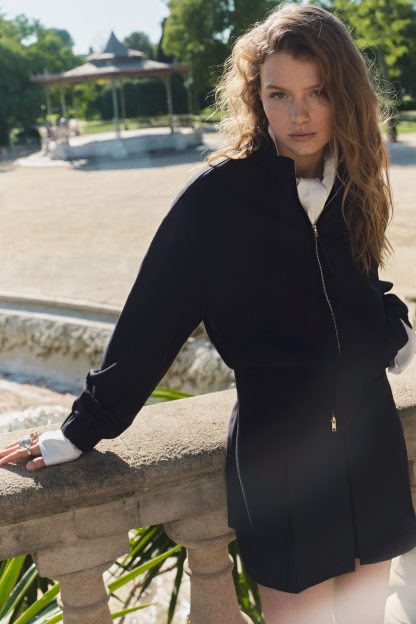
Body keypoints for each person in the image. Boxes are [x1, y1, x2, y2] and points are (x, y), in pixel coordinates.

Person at [1, 4, 416, 623]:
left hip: (369, 438)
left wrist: (391, 328)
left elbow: (358, 285)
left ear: (345, 95)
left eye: (319, 92)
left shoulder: (354, 178)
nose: (300, 114)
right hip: (281, 457)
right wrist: (80, 429)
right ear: (256, 96)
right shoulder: (216, 201)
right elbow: (152, 322)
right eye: (279, 94)